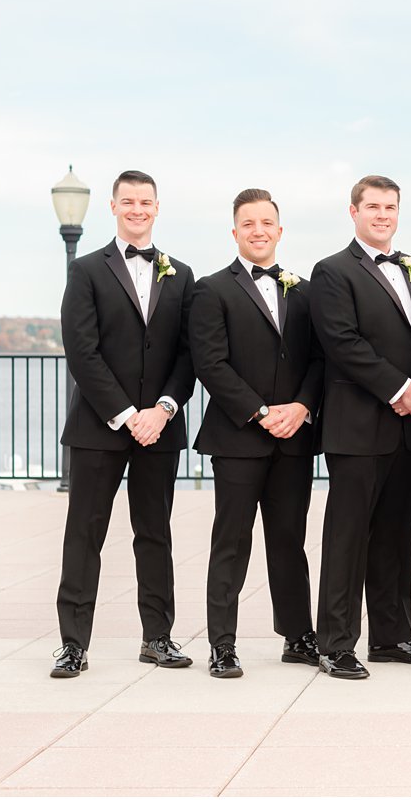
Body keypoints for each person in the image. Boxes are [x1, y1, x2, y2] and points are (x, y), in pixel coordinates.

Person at [53, 169, 196, 677]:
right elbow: (82, 351)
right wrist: (126, 414)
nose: (137, 209)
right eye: (128, 201)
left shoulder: (182, 274)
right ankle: (73, 644)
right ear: (112, 207)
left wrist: (163, 408)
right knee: (85, 534)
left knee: (155, 533)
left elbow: (187, 354)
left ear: (158, 208)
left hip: (160, 427)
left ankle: (158, 637)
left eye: (146, 201)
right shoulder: (88, 271)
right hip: (99, 427)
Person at [309, 175, 411, 679]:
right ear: (353, 212)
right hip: (357, 427)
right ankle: (335, 643)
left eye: (390, 207)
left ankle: (391, 637)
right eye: (373, 207)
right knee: (347, 538)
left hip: (408, 428)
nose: (382, 215)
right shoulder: (332, 271)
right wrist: (399, 388)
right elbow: (342, 342)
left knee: (395, 536)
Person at [189, 188, 323, 678]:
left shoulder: (305, 291)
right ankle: (222, 644)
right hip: (239, 437)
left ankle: (297, 635)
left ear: (280, 230)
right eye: (249, 223)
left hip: (294, 438)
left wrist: (302, 407)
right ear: (235, 232)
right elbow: (210, 362)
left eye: (267, 222)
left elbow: (317, 360)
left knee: (289, 539)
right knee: (232, 540)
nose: (259, 230)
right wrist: (260, 411)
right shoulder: (212, 289)